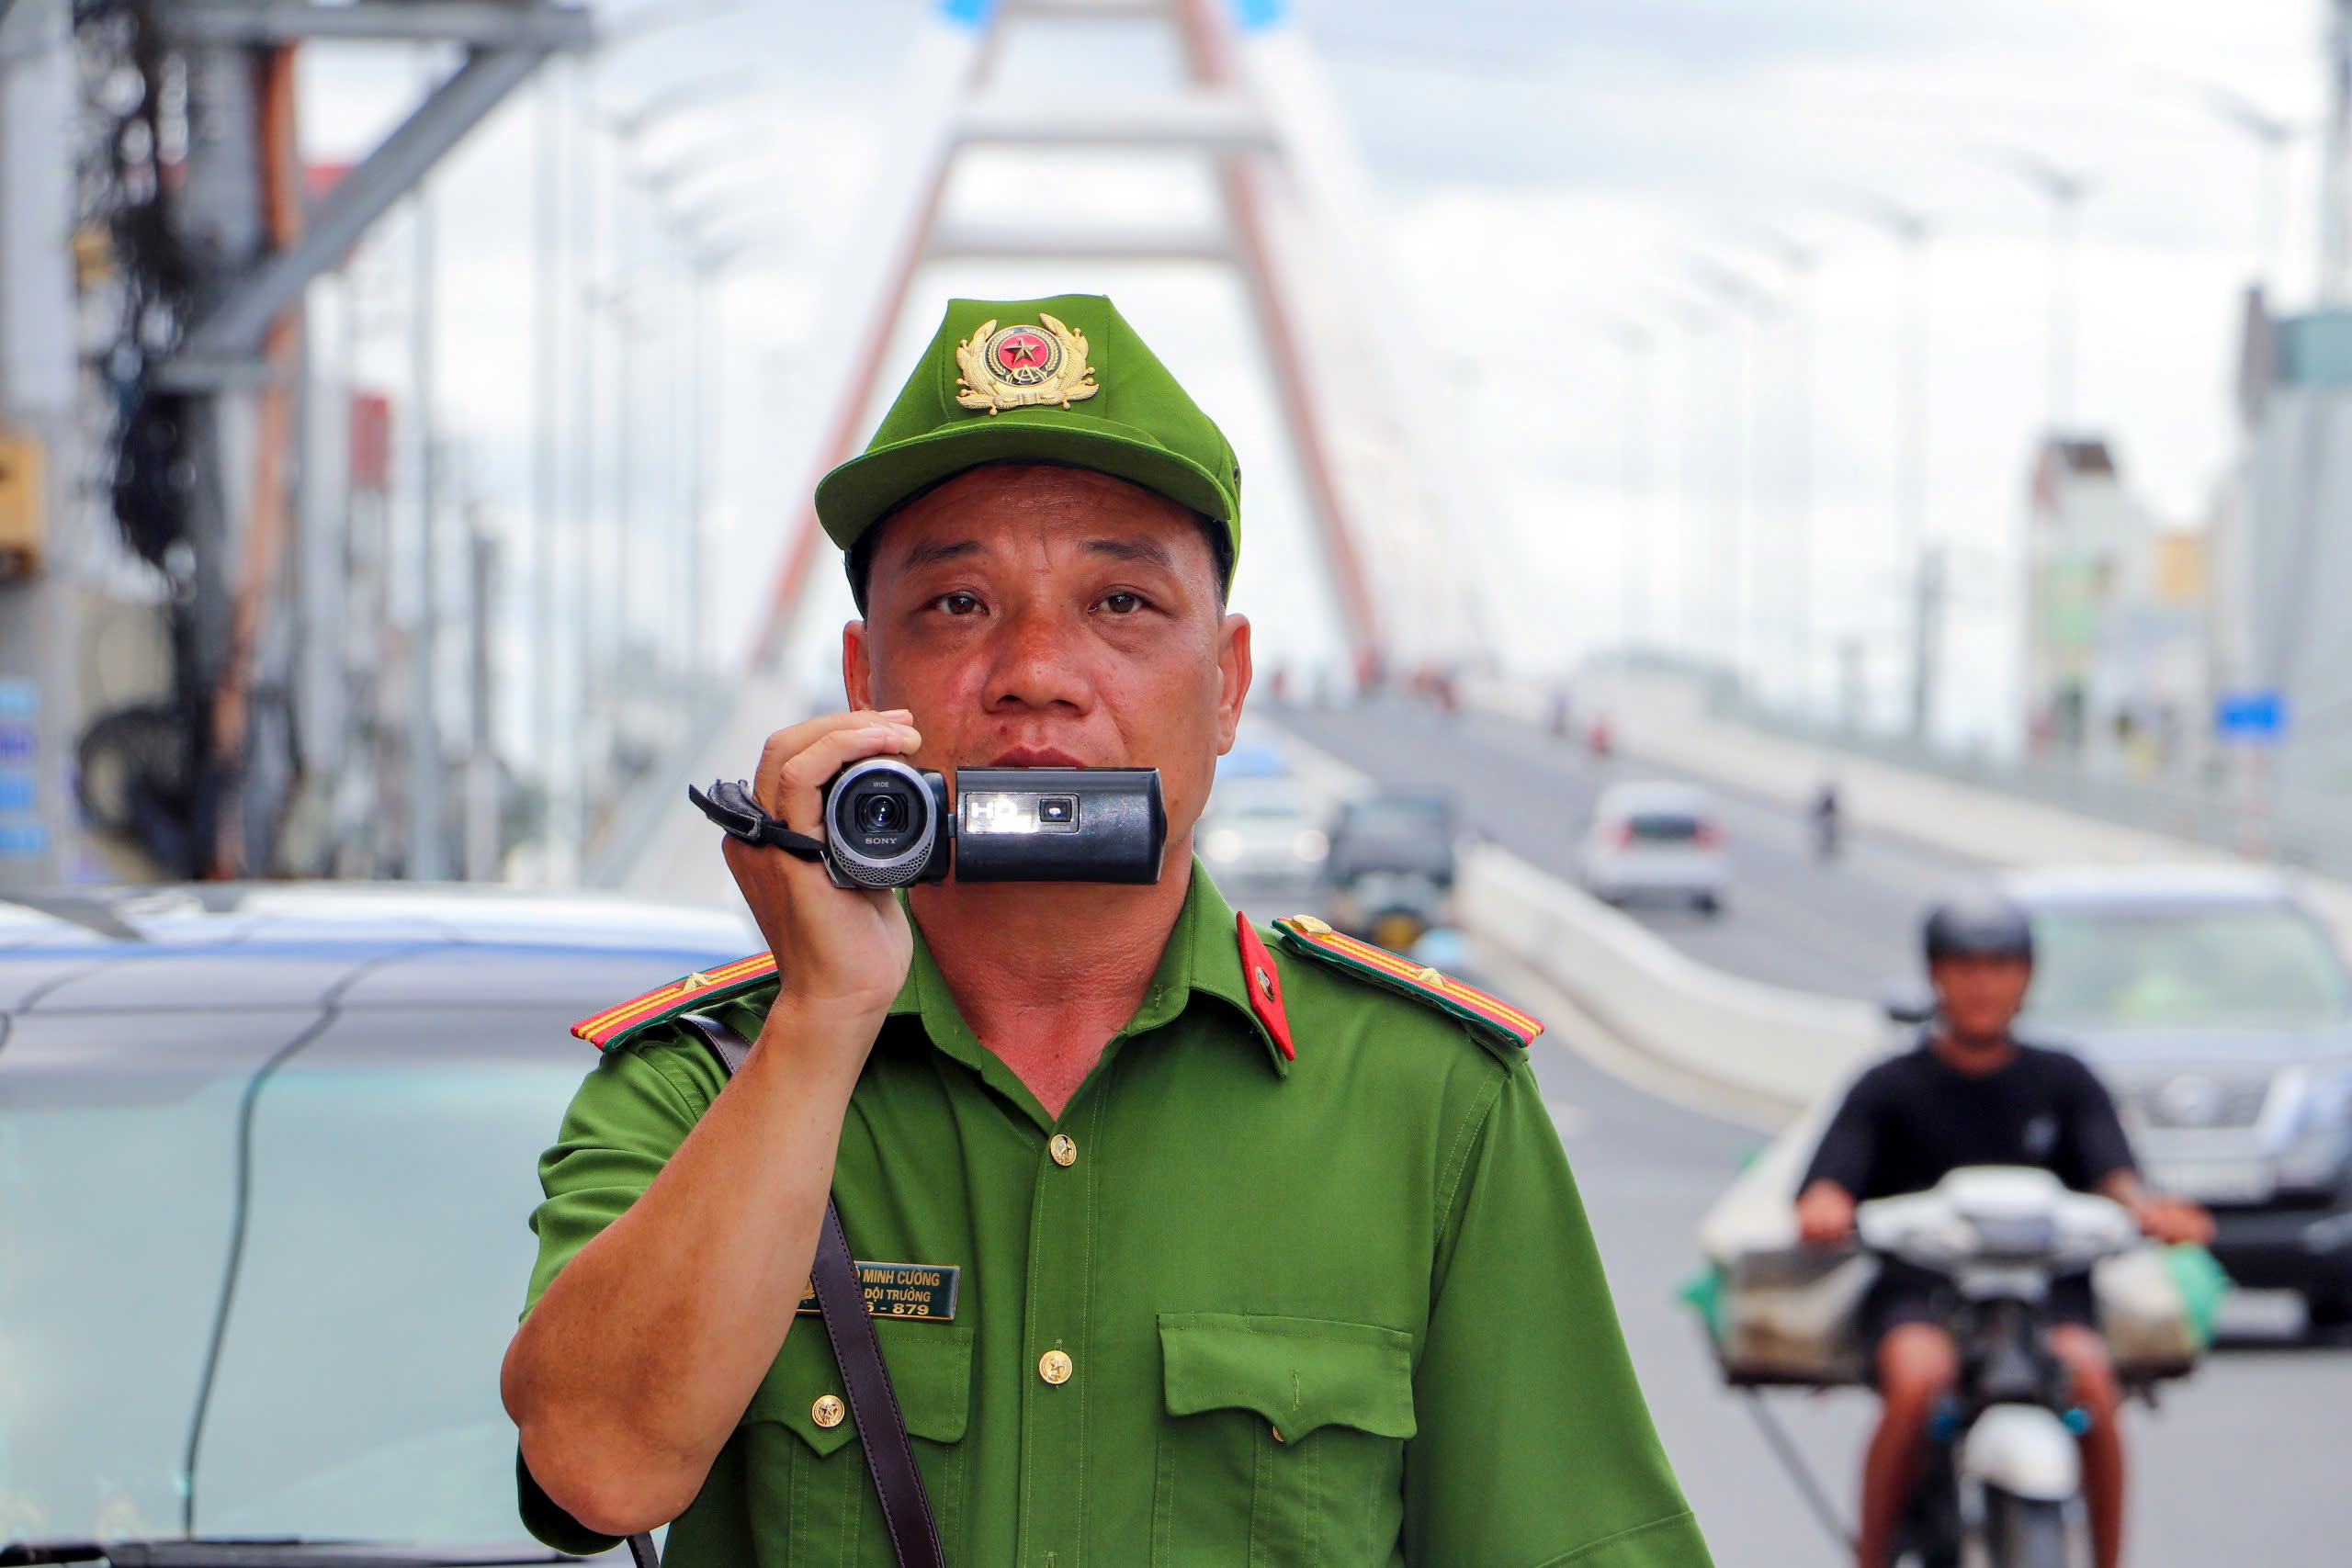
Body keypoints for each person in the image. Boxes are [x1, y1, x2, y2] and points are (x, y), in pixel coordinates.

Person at [501, 294, 1714, 1568]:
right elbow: (595, 1467)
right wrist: (820, 1017)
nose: (1036, 668)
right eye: (959, 603)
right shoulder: (708, 1080)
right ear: (866, 684)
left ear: (1231, 681)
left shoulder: (1429, 1103)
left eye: (1122, 603)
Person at [1792, 891, 2212, 1568]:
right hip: (1924, 1295)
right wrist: (1824, 1204)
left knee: (2094, 1383)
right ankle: (1871, 1555)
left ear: (2026, 977)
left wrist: (2150, 1208)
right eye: (1964, 966)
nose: (1982, 983)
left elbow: (2116, 1173)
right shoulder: (1888, 1085)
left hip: (2045, 1300)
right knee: (1916, 1378)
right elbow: (1829, 1180)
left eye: (2000, 966)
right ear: (1935, 975)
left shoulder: (2065, 1080)